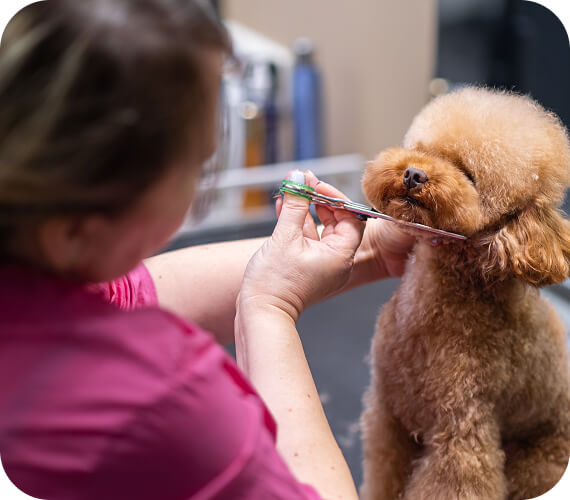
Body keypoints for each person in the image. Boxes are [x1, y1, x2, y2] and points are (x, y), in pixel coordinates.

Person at [0, 1, 414, 499]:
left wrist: (371, 248)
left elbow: (127, 295)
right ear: (81, 226)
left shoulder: (32, 260)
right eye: (198, 166)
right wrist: (269, 310)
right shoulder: (154, 396)